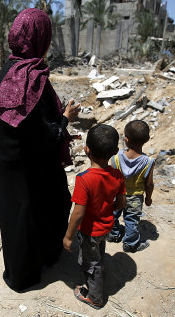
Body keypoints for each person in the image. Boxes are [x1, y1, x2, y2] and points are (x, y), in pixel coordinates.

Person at [0, 8, 80, 291]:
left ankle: (20, 273)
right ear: (41, 37)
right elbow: (44, 135)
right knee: (53, 204)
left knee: (17, 218)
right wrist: (66, 118)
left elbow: (15, 122)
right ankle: (42, 260)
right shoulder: (33, 77)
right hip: (33, 163)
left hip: (9, 160)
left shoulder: (10, 68)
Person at [63, 124, 126, 309]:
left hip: (90, 231)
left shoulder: (84, 179)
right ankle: (99, 268)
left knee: (91, 264)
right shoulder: (117, 175)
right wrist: (107, 209)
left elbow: (79, 213)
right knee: (98, 252)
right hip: (107, 226)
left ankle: (95, 298)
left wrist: (68, 237)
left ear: (86, 149)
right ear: (115, 151)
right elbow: (121, 203)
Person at [107, 120, 154, 253]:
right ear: (147, 139)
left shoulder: (116, 157)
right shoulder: (148, 162)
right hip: (135, 197)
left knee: (114, 214)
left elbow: (112, 177)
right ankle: (130, 243)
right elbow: (149, 184)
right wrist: (148, 198)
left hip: (118, 194)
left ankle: (113, 234)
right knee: (131, 220)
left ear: (126, 139)